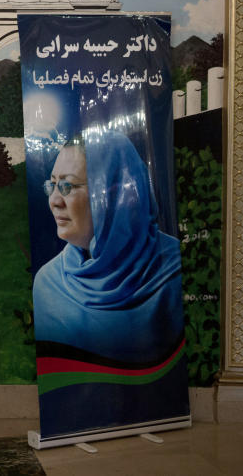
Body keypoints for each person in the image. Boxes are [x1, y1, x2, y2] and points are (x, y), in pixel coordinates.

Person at [33, 131, 183, 362]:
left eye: (67, 186)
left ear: (114, 195)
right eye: (52, 185)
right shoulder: (48, 284)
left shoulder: (174, 270)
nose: (54, 200)